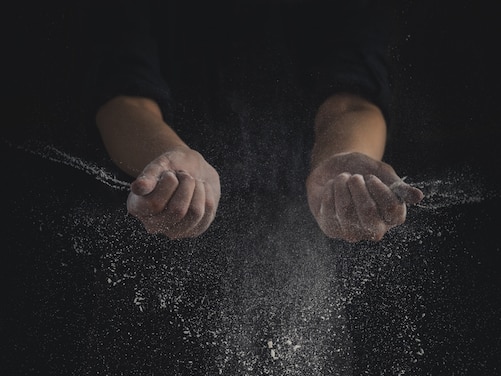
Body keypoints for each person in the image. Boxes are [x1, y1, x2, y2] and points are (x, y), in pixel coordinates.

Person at [82, 0, 423, 243]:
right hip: (156, 229)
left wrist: (342, 161)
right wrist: (168, 161)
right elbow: (124, 96)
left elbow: (353, 98)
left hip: (310, 232)